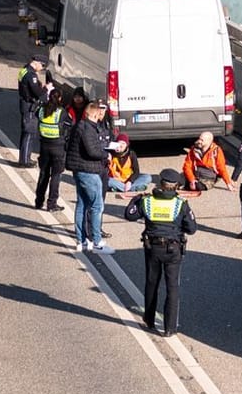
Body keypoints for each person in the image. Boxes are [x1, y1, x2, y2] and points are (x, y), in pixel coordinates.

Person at [125, 168, 197, 335]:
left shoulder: (147, 201)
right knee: (172, 288)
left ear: (160, 184)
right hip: (173, 250)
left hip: (152, 249)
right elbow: (192, 228)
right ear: (175, 186)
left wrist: (135, 200)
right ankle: (169, 328)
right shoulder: (180, 204)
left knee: (152, 283)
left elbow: (130, 215)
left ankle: (149, 319)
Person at [66, 98, 115, 252]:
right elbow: (92, 151)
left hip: (79, 170)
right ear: (93, 115)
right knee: (97, 206)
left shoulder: (78, 126)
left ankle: (82, 241)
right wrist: (105, 155)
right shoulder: (88, 128)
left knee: (82, 205)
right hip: (88, 171)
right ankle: (97, 242)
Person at [33, 95, 72, 212]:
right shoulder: (61, 112)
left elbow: (36, 115)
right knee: (55, 176)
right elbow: (70, 123)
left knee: (43, 174)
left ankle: (39, 201)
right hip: (58, 147)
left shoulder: (41, 109)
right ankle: (52, 203)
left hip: (44, 146)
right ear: (60, 99)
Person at [15, 58, 51, 167]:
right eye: (42, 65)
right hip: (30, 106)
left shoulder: (24, 70)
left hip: (25, 103)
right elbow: (37, 92)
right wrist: (46, 88)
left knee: (26, 133)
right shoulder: (31, 75)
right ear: (36, 62)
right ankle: (25, 161)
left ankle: (24, 158)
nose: (42, 68)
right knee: (29, 133)